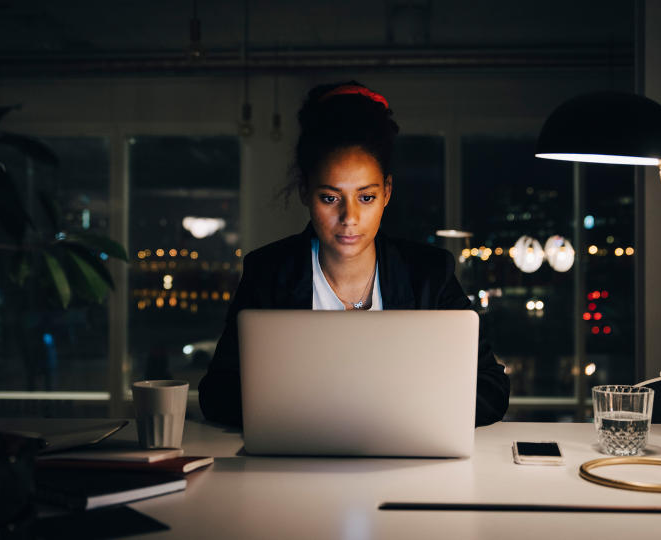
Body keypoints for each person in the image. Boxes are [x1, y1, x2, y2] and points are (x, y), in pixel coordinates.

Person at [198, 81, 510, 427]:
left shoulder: (428, 273)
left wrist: (393, 411)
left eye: (366, 197)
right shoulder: (269, 272)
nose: (349, 218)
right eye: (330, 198)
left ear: (387, 193)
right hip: (298, 466)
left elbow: (492, 390)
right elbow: (217, 394)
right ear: (305, 192)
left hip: (403, 463)